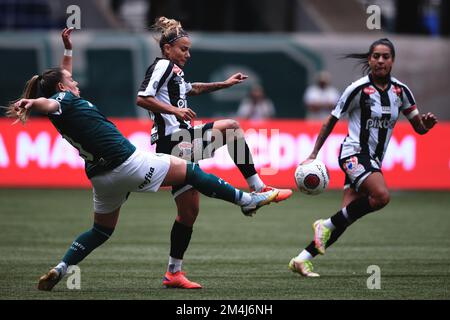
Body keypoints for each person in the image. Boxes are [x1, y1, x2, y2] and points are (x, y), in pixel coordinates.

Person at [4, 28, 282, 291]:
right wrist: (32, 103)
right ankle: (248, 198)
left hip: (101, 178)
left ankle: (64, 268)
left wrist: (68, 49)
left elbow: (62, 81)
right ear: (168, 48)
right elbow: (53, 101)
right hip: (131, 161)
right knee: (196, 168)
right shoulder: (62, 100)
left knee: (106, 230)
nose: (75, 81)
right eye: (183, 48)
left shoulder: (68, 100)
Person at [136, 17, 292, 289]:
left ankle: (173, 273)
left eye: (189, 49)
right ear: (168, 48)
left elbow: (191, 89)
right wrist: (175, 111)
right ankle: (257, 188)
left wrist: (223, 84)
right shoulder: (162, 65)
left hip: (176, 143)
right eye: (183, 49)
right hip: (174, 142)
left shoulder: (174, 72)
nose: (188, 54)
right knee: (231, 128)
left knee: (188, 213)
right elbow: (142, 97)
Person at [288, 38, 438, 277]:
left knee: (344, 218)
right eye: (376, 56)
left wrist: (426, 125)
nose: (380, 61)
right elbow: (331, 120)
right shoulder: (358, 88)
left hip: (374, 160)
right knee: (381, 196)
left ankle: (302, 259)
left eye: (385, 56)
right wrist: (314, 153)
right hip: (354, 153)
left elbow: (418, 128)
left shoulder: (401, 92)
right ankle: (323, 225)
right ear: (369, 60)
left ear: (392, 61)